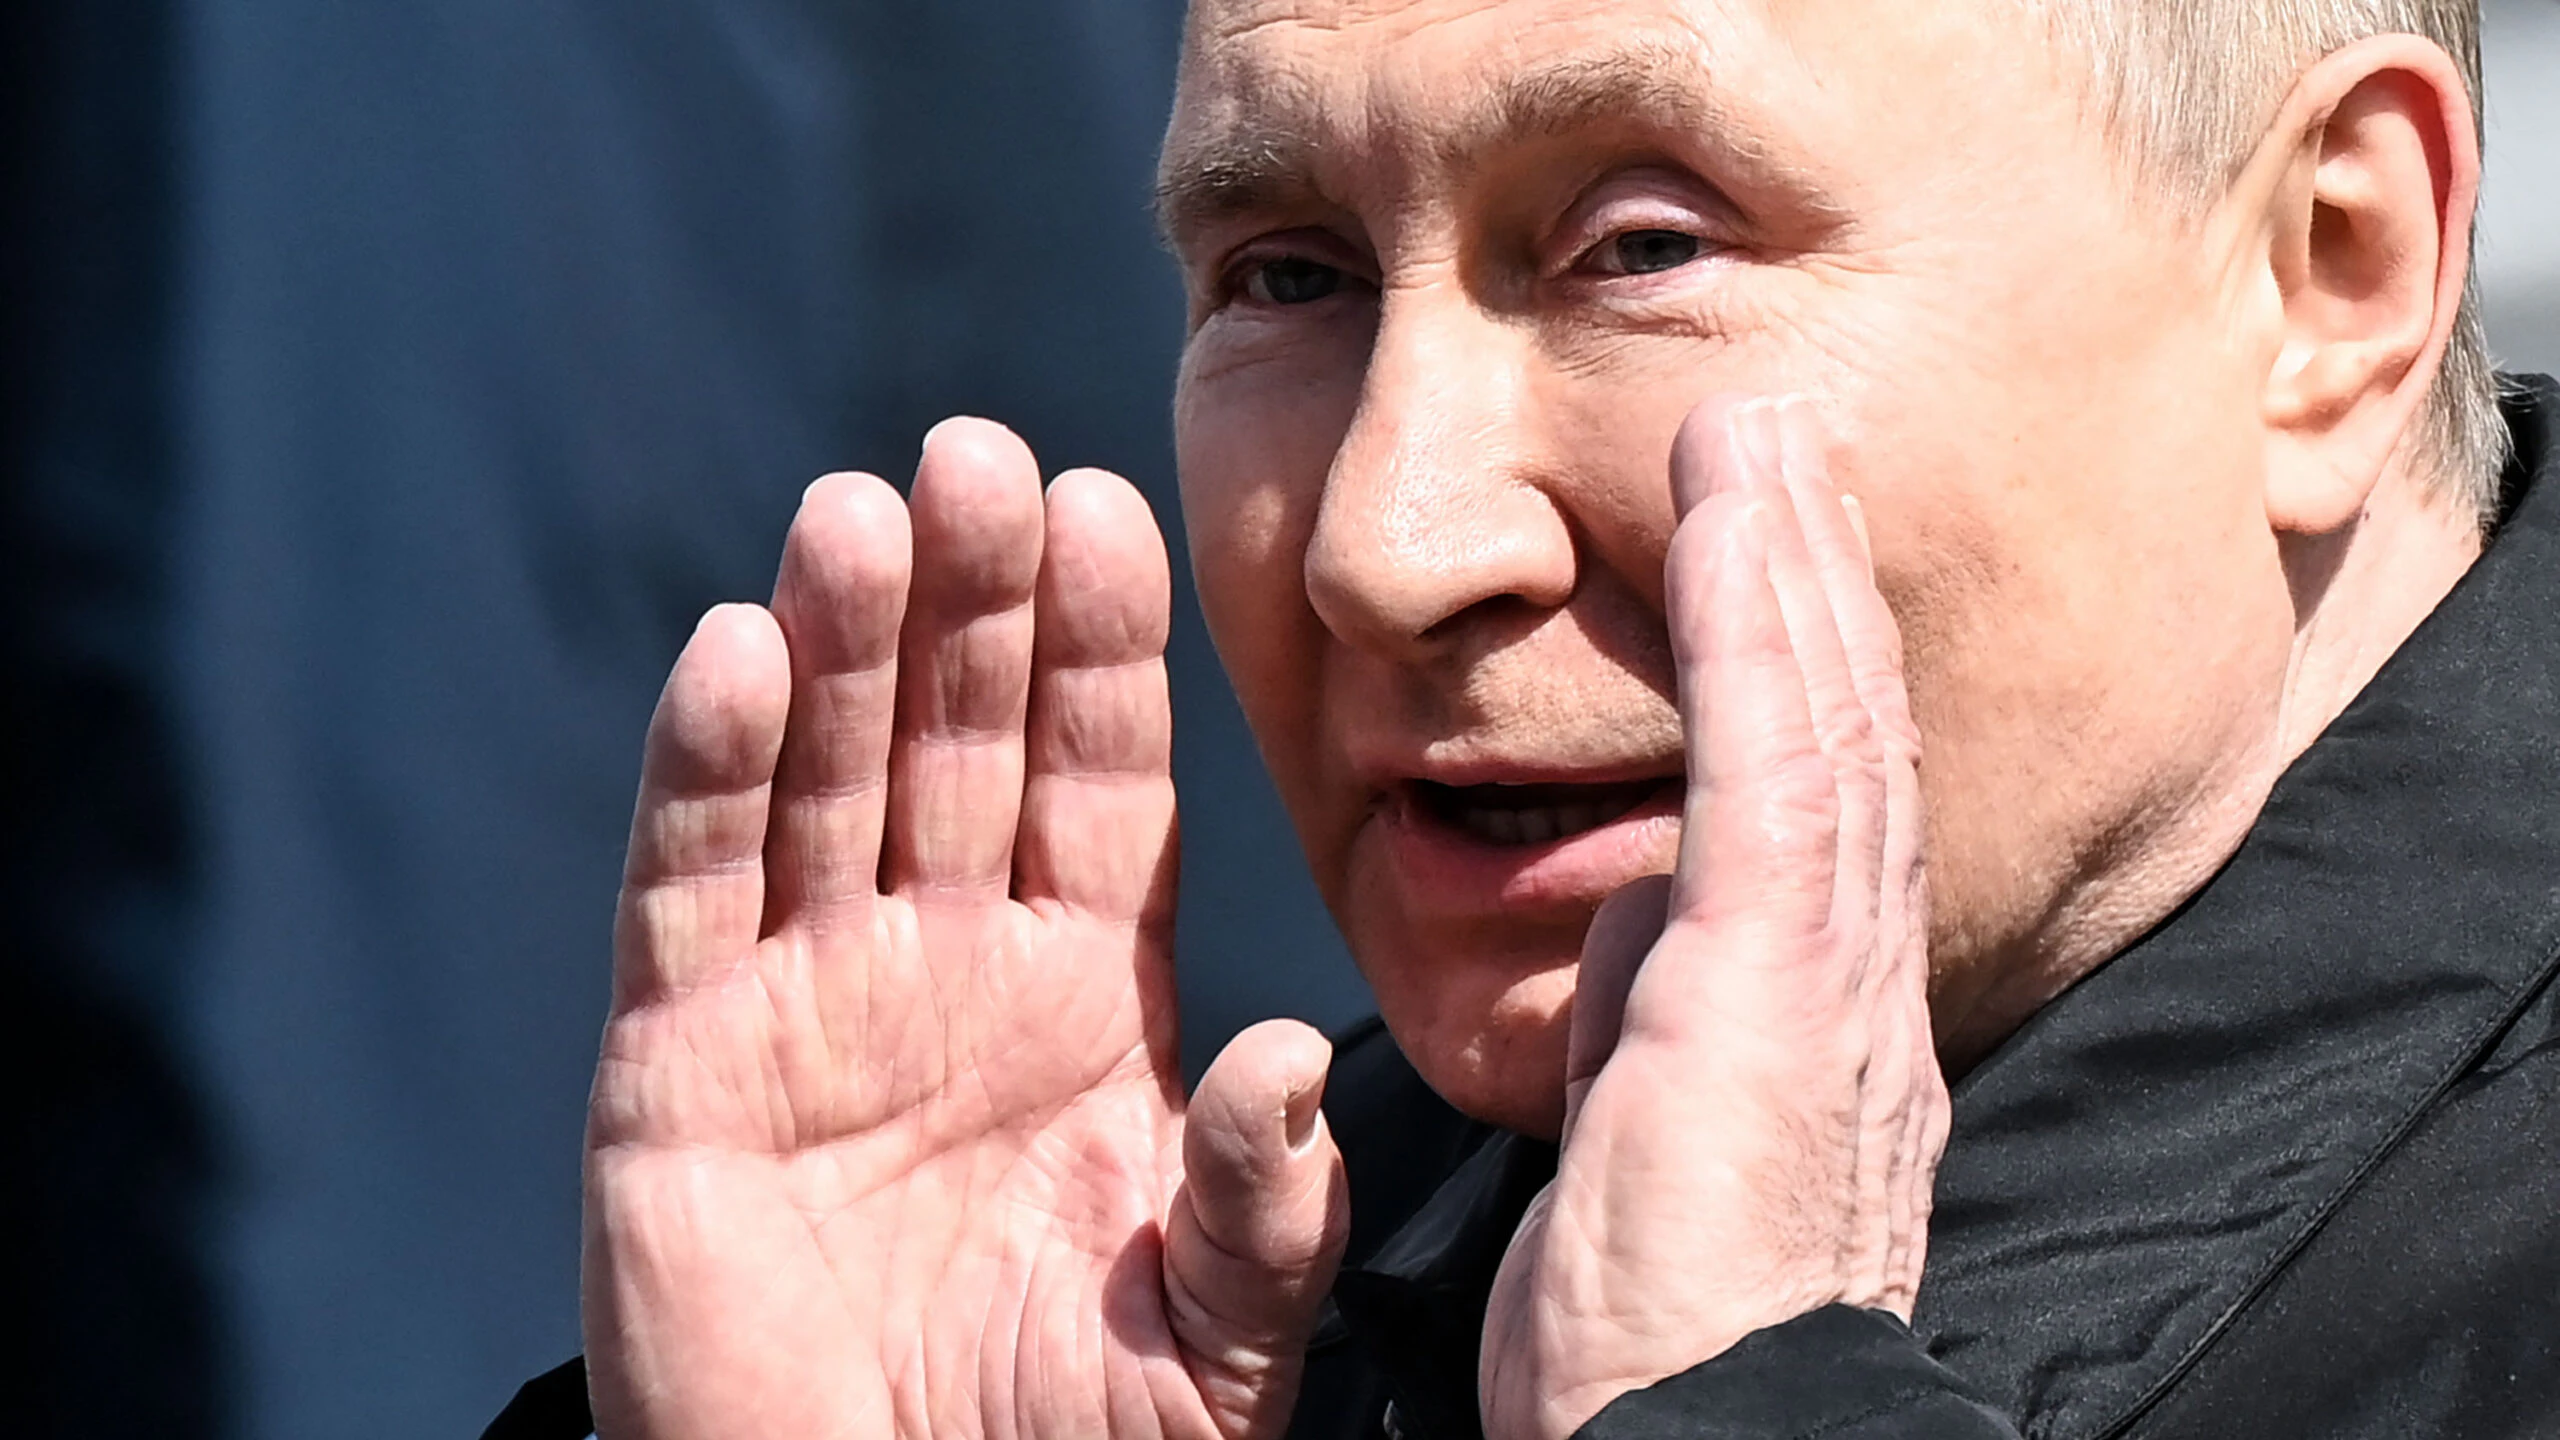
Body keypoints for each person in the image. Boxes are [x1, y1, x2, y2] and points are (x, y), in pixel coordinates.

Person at [487, 0, 2560, 1436]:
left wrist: (1741, 1403)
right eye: (1285, 276)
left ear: (2324, 272)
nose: (1380, 543)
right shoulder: (1240, 1289)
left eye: (1637, 249)